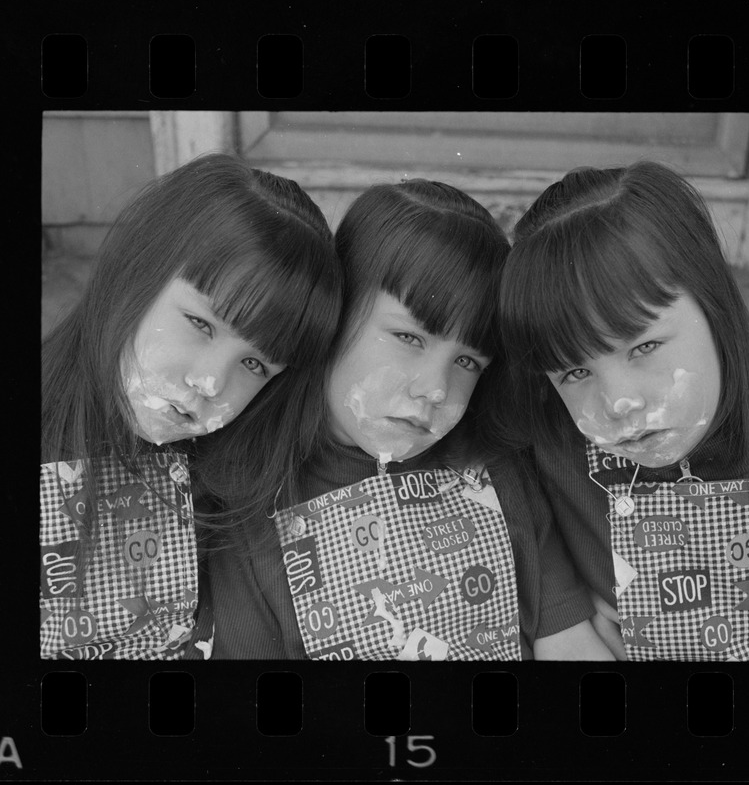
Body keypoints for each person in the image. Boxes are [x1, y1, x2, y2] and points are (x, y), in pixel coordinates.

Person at [198, 179, 613, 661]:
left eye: (467, 362)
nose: (435, 389)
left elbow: (567, 641)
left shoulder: (498, 477)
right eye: (409, 338)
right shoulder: (248, 508)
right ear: (338, 312)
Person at [497, 161, 749, 662]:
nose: (619, 402)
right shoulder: (550, 447)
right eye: (574, 372)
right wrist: (566, 616)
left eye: (642, 347)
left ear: (716, 307)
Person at [40, 153, 341, 660]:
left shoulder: (240, 484)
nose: (209, 382)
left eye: (255, 366)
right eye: (201, 324)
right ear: (138, 268)